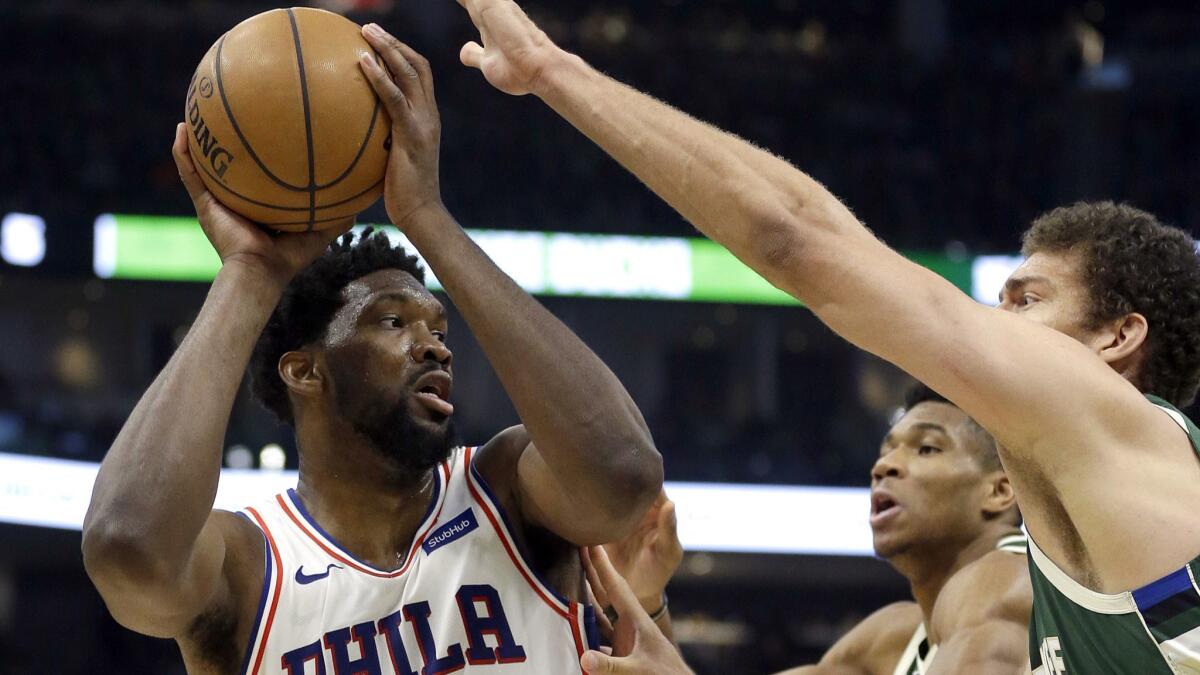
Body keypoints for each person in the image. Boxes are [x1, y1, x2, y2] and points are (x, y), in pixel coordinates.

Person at [450, 2, 1200, 672]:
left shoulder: (1116, 435)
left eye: (1026, 301)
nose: (998, 325)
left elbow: (794, 238)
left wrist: (555, 72)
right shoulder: (1074, 549)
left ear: (1116, 339)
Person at [81, 26, 662, 675]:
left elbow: (623, 474)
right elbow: (126, 550)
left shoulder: (506, 492)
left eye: (438, 329)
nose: (434, 348)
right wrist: (249, 270)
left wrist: (427, 217)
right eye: (392, 322)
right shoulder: (251, 563)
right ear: (304, 368)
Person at [585, 385, 1032, 675]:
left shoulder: (1010, 578)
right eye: (886, 450)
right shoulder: (894, 638)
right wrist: (647, 601)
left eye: (927, 448)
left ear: (1000, 490)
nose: (884, 466)